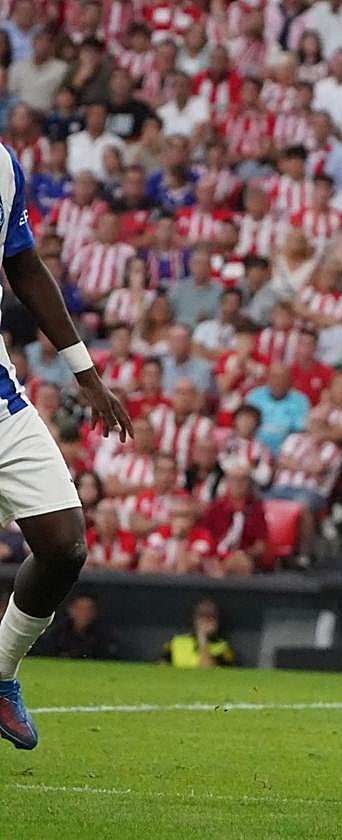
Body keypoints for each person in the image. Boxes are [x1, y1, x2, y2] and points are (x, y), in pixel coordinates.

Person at [0, 143, 131, 751]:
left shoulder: (3, 164)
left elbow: (22, 262)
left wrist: (85, 373)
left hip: (2, 397)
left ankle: (0, 675)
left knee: (63, 543)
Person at [32, 593, 119, 661]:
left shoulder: (103, 635)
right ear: (71, 610)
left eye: (89, 609)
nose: (84, 613)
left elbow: (108, 655)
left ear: (94, 612)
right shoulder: (57, 633)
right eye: (80, 609)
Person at [160, 598, 235, 668]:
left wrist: (202, 638)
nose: (206, 620)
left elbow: (208, 671)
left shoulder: (223, 648)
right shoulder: (176, 641)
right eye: (202, 615)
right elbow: (161, 668)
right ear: (195, 619)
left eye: (211, 616)